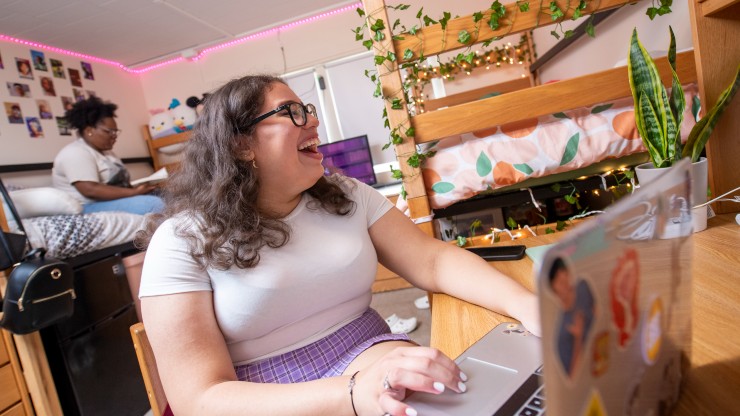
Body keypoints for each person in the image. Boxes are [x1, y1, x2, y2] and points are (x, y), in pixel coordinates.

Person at [136, 74, 540, 416]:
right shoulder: (180, 241)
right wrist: (350, 392)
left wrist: (524, 304)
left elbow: (432, 261)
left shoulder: (347, 193)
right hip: (264, 394)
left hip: (367, 349)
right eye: (291, 112)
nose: (312, 121)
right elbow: (198, 399)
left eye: (307, 109)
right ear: (241, 144)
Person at [52, 96, 164, 215]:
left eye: (115, 131)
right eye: (109, 131)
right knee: (154, 204)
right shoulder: (75, 152)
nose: (114, 135)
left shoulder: (107, 153)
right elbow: (90, 190)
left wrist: (140, 188)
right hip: (87, 207)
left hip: (113, 200)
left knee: (170, 195)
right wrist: (134, 193)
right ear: (89, 130)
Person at [548, 257, 594, 378]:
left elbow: (599, 312)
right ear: (553, 289)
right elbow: (573, 376)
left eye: (566, 274)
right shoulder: (562, 332)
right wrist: (578, 338)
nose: (566, 281)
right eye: (560, 281)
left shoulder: (583, 287)